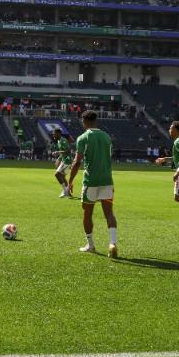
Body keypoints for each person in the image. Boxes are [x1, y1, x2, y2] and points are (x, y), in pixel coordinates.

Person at [67, 110, 118, 257]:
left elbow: (77, 161)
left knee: (87, 213)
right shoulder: (107, 137)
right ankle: (112, 243)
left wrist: (70, 181)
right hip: (107, 180)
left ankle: (90, 245)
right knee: (109, 213)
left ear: (84, 122)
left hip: (91, 181)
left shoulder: (83, 137)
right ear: (96, 121)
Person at [51, 129, 74, 198]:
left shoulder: (63, 140)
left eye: (54, 134)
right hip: (65, 160)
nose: (53, 135)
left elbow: (69, 151)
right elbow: (63, 152)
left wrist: (58, 152)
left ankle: (65, 191)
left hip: (67, 161)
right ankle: (68, 193)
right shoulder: (59, 141)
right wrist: (59, 158)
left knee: (57, 174)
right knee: (63, 177)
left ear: (58, 134)